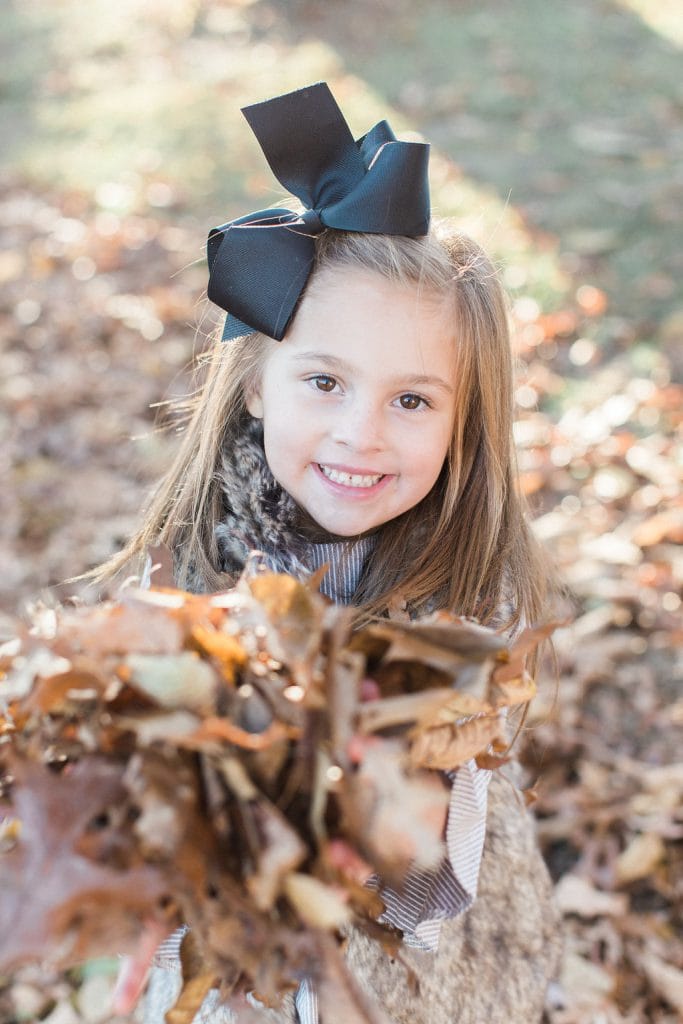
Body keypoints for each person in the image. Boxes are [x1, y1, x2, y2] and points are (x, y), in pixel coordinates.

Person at [102, 83, 561, 1023]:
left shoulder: (468, 600)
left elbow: (432, 826)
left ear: (462, 422)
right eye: (324, 382)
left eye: (411, 401)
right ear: (259, 386)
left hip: (411, 933)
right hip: (235, 931)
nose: (361, 437)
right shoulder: (196, 556)